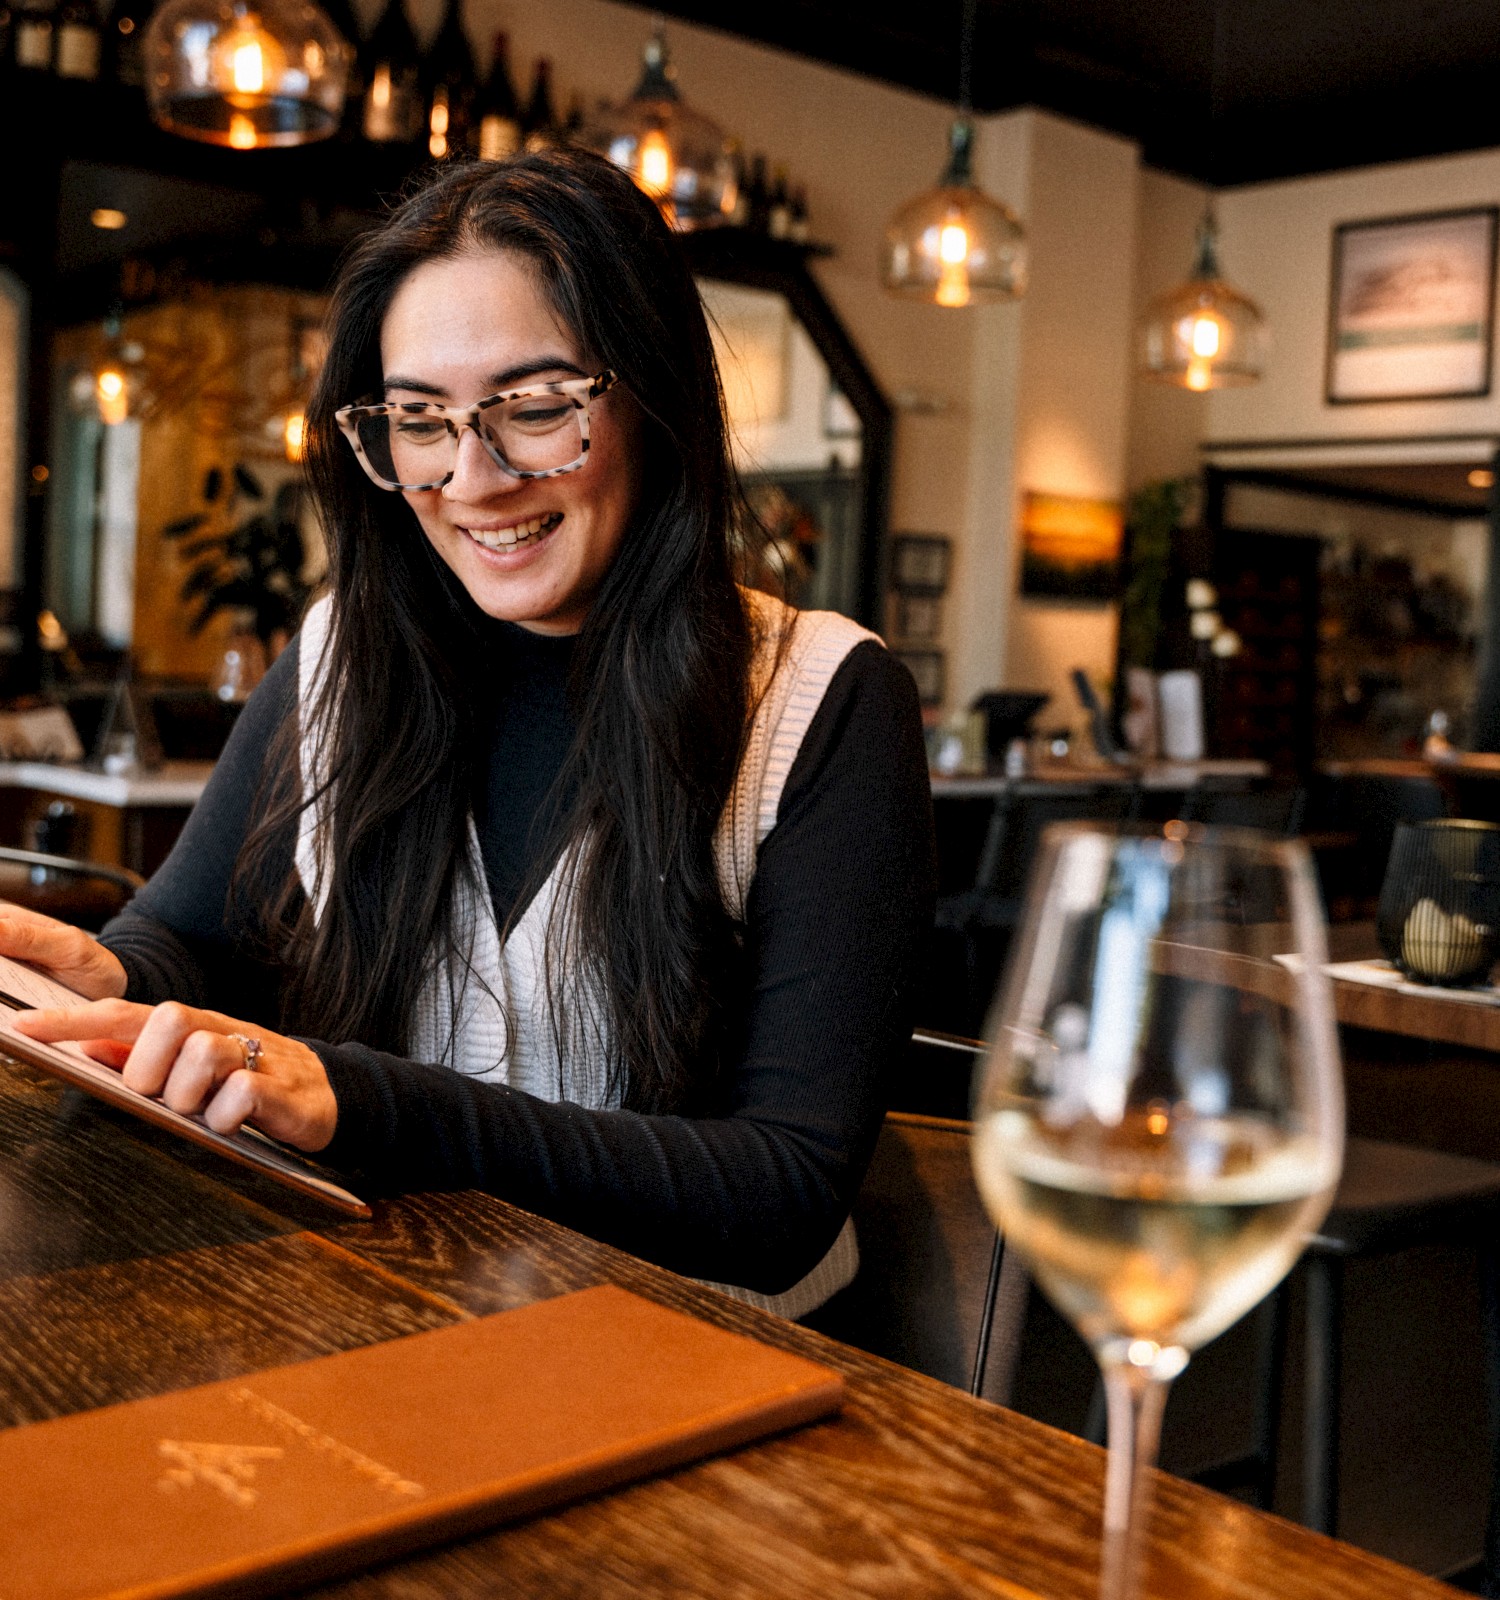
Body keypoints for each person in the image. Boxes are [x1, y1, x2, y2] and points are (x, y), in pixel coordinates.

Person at [4, 149, 934, 1317]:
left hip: (708, 1378)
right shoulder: (346, 653)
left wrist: (361, 1099)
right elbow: (194, 940)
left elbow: (782, 1192)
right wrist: (118, 974)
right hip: (396, 1317)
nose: (470, 476)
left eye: (537, 408)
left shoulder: (824, 700)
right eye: (417, 421)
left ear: (652, 396)